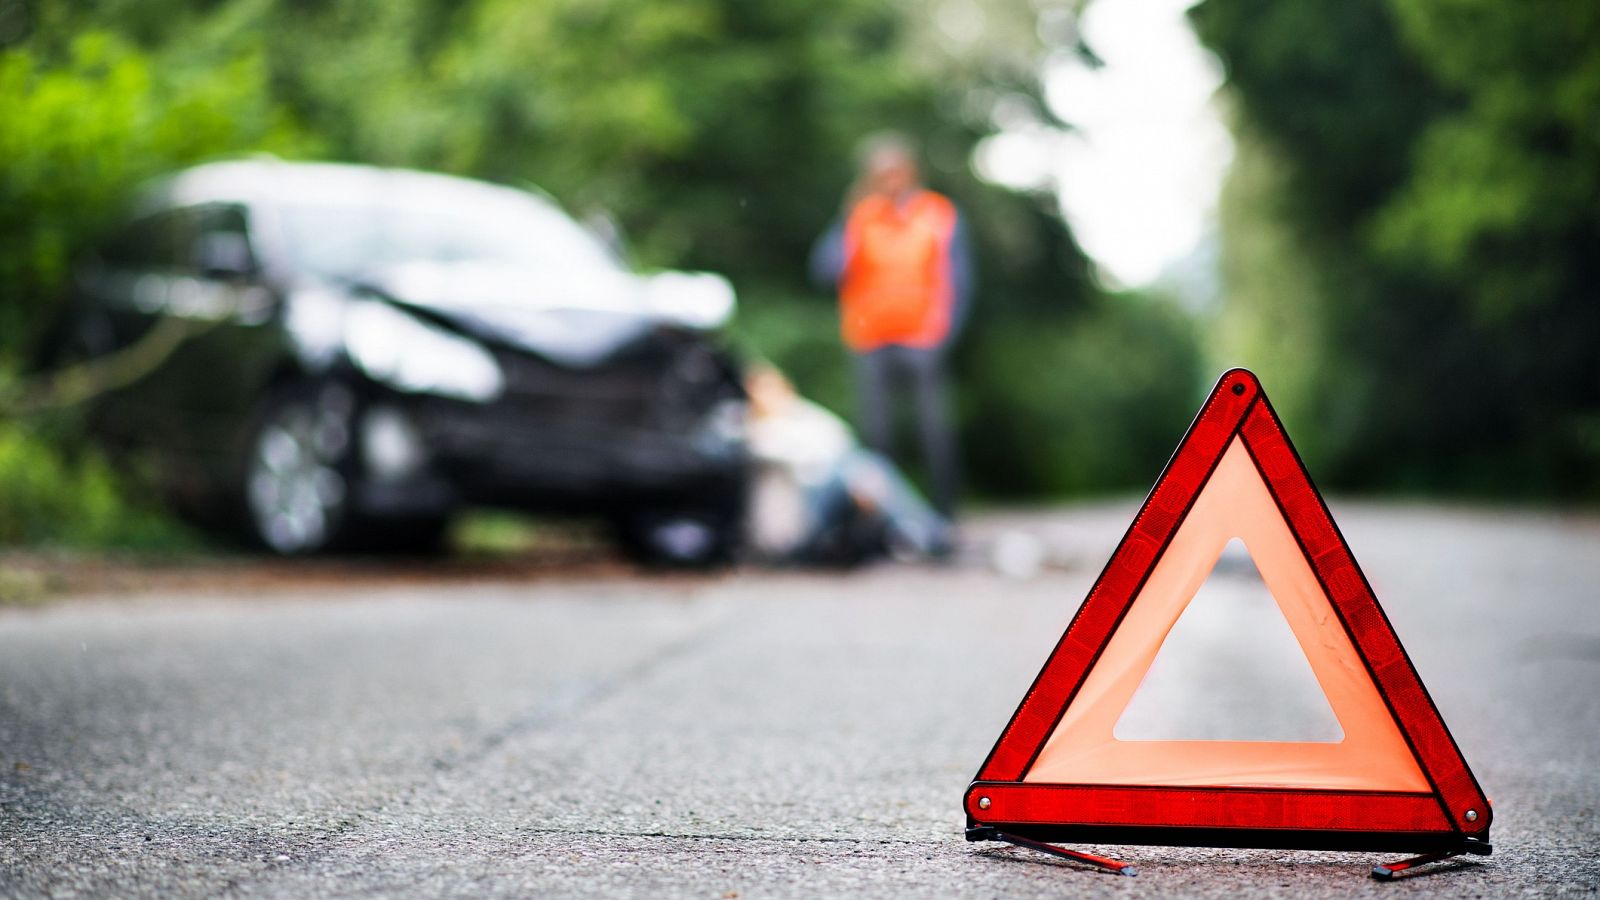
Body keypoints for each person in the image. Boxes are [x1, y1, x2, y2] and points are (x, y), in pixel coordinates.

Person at [809, 133, 973, 517]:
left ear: (911, 172)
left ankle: (945, 516)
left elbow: (960, 278)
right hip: (869, 337)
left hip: (922, 337)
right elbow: (824, 270)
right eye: (881, 174)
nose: (890, 180)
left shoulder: (938, 213)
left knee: (934, 431)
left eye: (896, 172)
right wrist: (846, 219)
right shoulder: (860, 217)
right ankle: (888, 519)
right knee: (877, 434)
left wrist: (946, 331)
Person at [744, 363, 950, 565]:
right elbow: (796, 456)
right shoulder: (751, 428)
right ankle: (921, 531)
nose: (769, 395)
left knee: (866, 465)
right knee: (861, 467)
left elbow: (841, 436)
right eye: (762, 390)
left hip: (836, 486)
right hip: (807, 506)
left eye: (773, 387)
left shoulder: (802, 415)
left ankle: (915, 531)